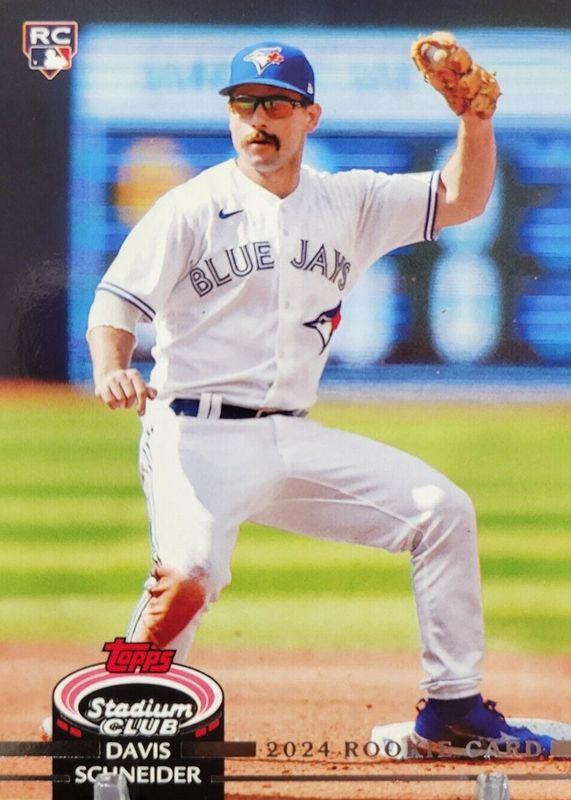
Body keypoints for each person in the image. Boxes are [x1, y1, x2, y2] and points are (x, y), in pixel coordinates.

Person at [86, 41, 551, 756]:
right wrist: (112, 366)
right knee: (190, 575)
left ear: (310, 116)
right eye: (244, 103)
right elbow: (115, 306)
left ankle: (452, 712)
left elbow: (463, 198)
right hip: (194, 436)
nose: (257, 119)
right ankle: (114, 718)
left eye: (276, 104)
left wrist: (474, 123)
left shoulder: (348, 201)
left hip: (291, 437)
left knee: (442, 511)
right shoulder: (190, 206)